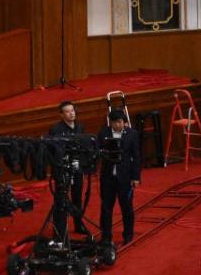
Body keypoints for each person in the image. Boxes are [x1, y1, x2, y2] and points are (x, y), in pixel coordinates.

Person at [97, 108, 141, 245]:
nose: (117, 125)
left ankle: (128, 235)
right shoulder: (103, 133)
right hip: (107, 178)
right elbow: (98, 152)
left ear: (124, 122)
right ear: (110, 122)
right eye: (114, 122)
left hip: (125, 178)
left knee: (126, 208)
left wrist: (136, 177)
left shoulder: (132, 134)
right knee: (106, 209)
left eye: (120, 122)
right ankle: (106, 236)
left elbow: (137, 157)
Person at [48, 100, 90, 237]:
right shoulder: (56, 130)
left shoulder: (80, 126)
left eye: (72, 110)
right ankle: (60, 229)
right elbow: (53, 151)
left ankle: (78, 224)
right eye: (67, 111)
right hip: (63, 169)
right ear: (61, 114)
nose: (71, 113)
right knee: (61, 198)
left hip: (77, 168)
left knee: (77, 197)